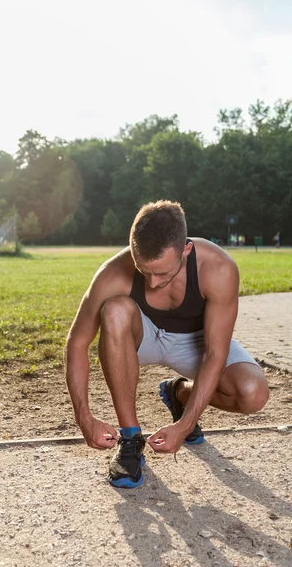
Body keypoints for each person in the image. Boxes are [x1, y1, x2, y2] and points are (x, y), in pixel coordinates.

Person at [65, 200, 269, 488]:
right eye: (144, 271)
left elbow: (214, 354)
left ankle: (179, 394)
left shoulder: (218, 268)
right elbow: (77, 343)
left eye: (163, 272)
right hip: (142, 338)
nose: (153, 283)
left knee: (253, 394)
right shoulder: (113, 272)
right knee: (115, 310)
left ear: (185, 250)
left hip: (197, 343)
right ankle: (131, 439)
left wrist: (184, 427)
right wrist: (84, 417)